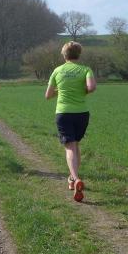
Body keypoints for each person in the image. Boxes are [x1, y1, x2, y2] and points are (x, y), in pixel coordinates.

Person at [45, 41, 96, 202]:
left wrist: (60, 91)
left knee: (70, 147)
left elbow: (48, 95)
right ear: (78, 54)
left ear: (64, 54)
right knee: (75, 145)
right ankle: (72, 178)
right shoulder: (86, 69)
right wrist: (81, 91)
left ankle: (75, 178)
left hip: (64, 113)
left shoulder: (57, 70)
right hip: (82, 113)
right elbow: (91, 87)